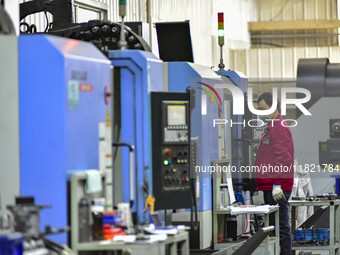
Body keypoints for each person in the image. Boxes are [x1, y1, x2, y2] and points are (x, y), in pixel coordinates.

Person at [255, 92, 294, 255]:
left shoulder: (278, 127)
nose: (261, 113)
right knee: (274, 226)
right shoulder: (271, 126)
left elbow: (283, 159)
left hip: (277, 186)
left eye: (263, 109)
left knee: (280, 226)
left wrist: (277, 184)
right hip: (270, 184)